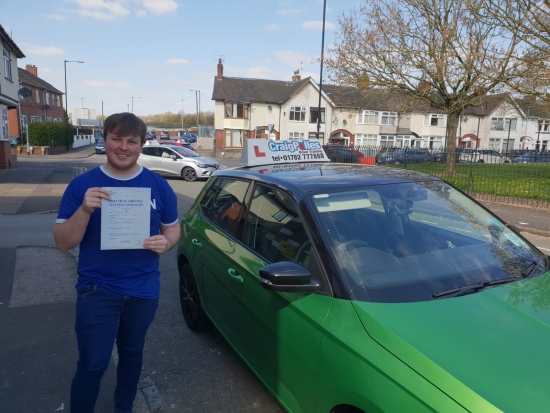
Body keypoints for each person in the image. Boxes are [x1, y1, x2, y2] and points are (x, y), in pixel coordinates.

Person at [53, 112, 180, 413]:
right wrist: (84, 210)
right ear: (104, 140)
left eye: (131, 141)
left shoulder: (158, 186)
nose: (123, 147)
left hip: (143, 289)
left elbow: (172, 228)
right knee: (93, 364)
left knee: (133, 354)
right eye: (116, 139)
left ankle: (124, 407)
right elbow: (62, 243)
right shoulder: (83, 185)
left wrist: (168, 242)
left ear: (141, 145)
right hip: (98, 289)